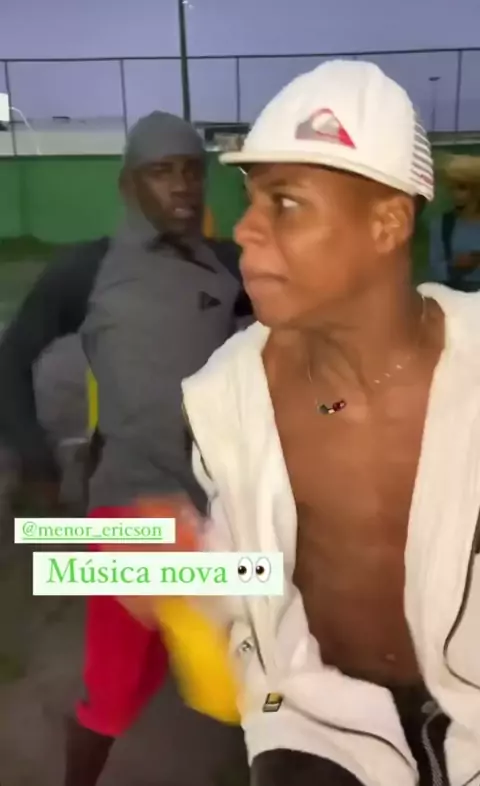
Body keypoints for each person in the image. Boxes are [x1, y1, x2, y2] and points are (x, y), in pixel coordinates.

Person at [177, 61, 480, 786]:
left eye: (285, 203)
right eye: (250, 199)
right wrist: (170, 565)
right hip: (322, 726)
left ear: (387, 223)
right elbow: (254, 573)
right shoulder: (229, 397)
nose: (244, 230)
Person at [0, 110, 252, 785]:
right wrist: (35, 460)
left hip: (215, 508)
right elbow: (13, 356)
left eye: (191, 171)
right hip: (131, 511)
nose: (182, 186)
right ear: (127, 186)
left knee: (201, 676)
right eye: (161, 172)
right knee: (135, 686)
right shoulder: (88, 271)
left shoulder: (227, 269)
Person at [429, 154, 480, 290]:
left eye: (462, 188)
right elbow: (434, 268)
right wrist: (455, 265)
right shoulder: (443, 225)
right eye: (452, 188)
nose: (455, 194)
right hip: (456, 293)